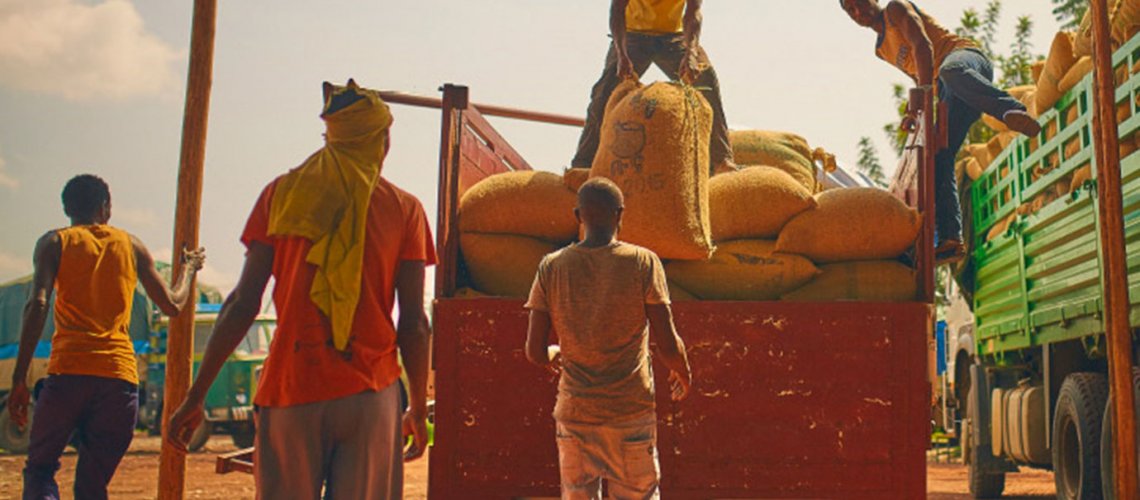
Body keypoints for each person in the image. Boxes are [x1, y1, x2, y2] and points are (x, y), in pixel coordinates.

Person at [166, 80, 435, 500]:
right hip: (370, 391)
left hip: (291, 388)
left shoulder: (280, 195)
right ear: (378, 140)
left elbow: (241, 303)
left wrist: (195, 396)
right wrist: (417, 409)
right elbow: (414, 325)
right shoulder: (405, 209)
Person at [8, 174, 205, 500]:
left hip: (68, 376)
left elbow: (38, 303)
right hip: (117, 381)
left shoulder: (54, 243)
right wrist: (189, 269)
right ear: (107, 208)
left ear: (67, 208)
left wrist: (19, 379)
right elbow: (172, 305)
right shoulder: (132, 246)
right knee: (91, 486)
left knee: (40, 470)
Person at [524, 177, 692, 500]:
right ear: (620, 215)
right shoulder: (643, 262)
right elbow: (668, 343)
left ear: (578, 217)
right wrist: (683, 371)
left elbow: (534, 351)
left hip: (575, 415)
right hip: (629, 414)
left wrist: (555, 351)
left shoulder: (550, 267)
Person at [839, 0, 1042, 264]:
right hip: (949, 89)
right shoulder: (881, 49)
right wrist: (915, 112)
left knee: (949, 69)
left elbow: (923, 45)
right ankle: (951, 239)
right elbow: (915, 72)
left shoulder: (895, 10)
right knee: (937, 155)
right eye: (850, 10)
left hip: (966, 62)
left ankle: (1011, 110)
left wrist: (923, 98)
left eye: (860, 3)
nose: (858, 12)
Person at [571, 0, 735, 175]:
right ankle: (583, 164)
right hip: (633, 36)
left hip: (674, 36)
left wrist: (691, 53)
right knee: (605, 91)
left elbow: (693, 11)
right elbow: (617, 9)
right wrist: (621, 55)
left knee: (705, 80)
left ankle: (721, 161)